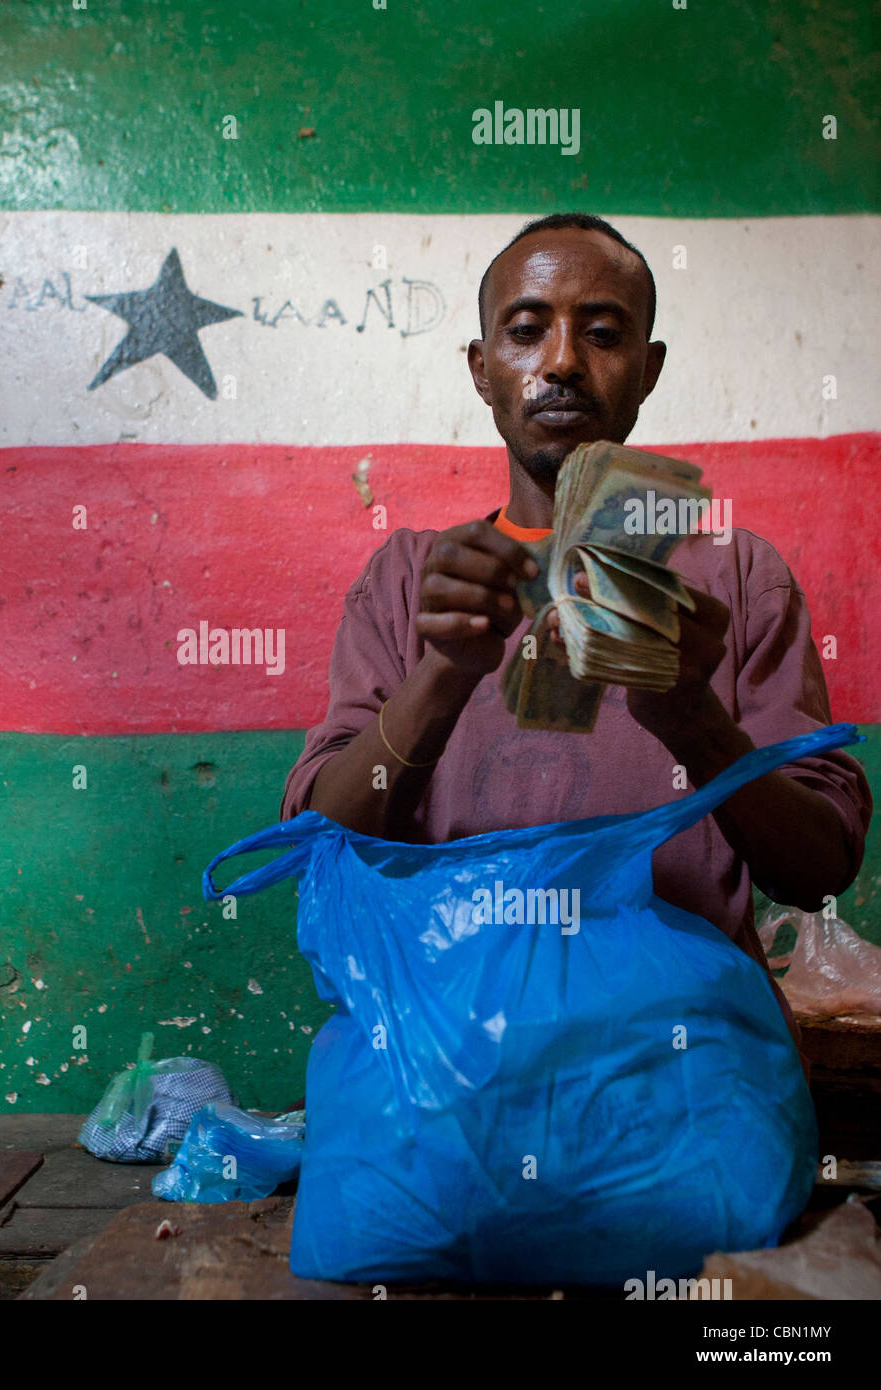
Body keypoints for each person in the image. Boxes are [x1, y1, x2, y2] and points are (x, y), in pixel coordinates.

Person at [281, 212, 871, 1048]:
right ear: (483, 372)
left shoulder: (737, 577)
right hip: (452, 1050)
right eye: (526, 332)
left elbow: (817, 871)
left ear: (648, 369)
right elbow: (325, 844)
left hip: (683, 1052)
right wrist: (446, 672)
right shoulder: (412, 580)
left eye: (602, 333)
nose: (560, 361)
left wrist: (692, 719)